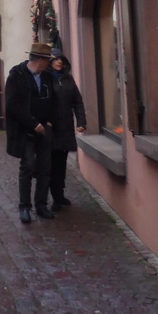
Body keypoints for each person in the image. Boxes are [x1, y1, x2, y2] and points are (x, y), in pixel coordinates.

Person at [5, 42, 57, 222]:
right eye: (47, 60)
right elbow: (12, 105)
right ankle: (25, 206)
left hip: (44, 129)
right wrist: (33, 124)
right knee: (27, 166)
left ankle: (41, 205)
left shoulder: (47, 76)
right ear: (40, 60)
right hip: (24, 129)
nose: (49, 63)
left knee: (45, 167)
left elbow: (54, 100)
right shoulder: (17, 75)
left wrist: (49, 122)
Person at [49, 51, 87, 211]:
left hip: (65, 127)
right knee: (51, 164)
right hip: (51, 128)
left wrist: (81, 122)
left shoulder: (68, 79)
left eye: (61, 59)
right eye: (56, 59)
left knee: (61, 163)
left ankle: (60, 194)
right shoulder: (46, 79)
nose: (59, 62)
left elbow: (77, 101)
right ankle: (54, 196)